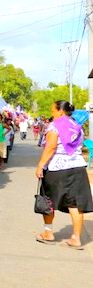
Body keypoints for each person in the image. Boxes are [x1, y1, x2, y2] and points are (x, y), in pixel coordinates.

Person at [35, 100, 93, 249]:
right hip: (78, 167)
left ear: (60, 111)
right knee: (75, 203)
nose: (52, 114)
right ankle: (76, 238)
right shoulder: (77, 127)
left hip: (57, 168)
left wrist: (41, 165)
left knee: (49, 199)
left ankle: (48, 232)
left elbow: (51, 147)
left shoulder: (54, 126)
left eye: (53, 111)